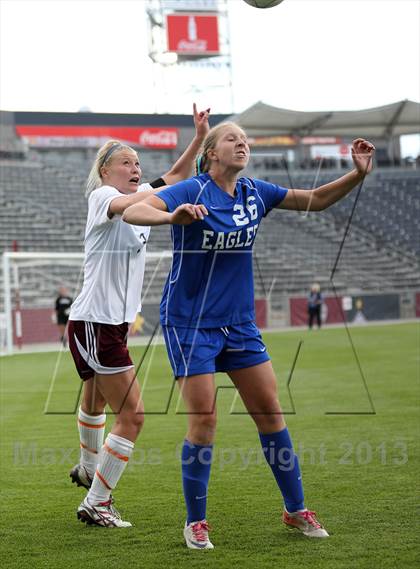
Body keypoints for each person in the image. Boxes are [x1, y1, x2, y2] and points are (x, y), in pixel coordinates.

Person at [123, 121, 375, 548]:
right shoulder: (193, 190)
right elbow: (132, 210)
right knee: (204, 422)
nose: (242, 143)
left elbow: (314, 199)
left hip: (239, 324)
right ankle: (195, 521)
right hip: (190, 323)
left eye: (245, 139)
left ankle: (296, 510)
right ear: (211, 152)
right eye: (232, 139)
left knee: (271, 414)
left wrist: (357, 174)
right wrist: (171, 216)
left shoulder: (256, 192)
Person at [67, 104, 210, 528]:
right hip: (96, 322)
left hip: (104, 322)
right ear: (105, 171)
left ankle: (88, 468)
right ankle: (97, 501)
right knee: (134, 416)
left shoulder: (138, 194)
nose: (135, 167)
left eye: (138, 163)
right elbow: (143, 199)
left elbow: (172, 179)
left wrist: (199, 138)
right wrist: (169, 208)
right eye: (126, 162)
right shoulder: (103, 197)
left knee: (94, 400)